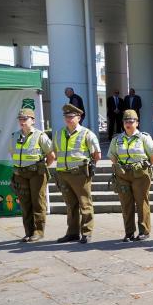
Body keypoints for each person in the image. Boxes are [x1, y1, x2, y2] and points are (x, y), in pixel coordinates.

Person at [108, 109, 153, 242]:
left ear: (137, 123)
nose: (128, 123)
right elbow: (112, 156)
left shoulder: (143, 137)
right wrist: (119, 167)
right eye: (126, 121)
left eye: (131, 121)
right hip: (123, 175)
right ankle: (129, 232)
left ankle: (144, 231)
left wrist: (145, 167)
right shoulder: (117, 139)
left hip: (140, 174)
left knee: (141, 203)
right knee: (126, 204)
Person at [53, 104, 101, 244]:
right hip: (63, 174)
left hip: (80, 174)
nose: (68, 119)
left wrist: (89, 167)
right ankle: (72, 233)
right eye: (66, 117)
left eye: (71, 117)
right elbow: (54, 152)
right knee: (70, 205)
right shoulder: (59, 133)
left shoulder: (87, 133)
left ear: (78, 118)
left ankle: (86, 232)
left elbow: (97, 155)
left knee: (85, 203)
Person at [9, 107, 55, 243]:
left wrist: (43, 167)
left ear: (32, 120)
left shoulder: (40, 136)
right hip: (20, 174)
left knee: (38, 202)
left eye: (25, 119)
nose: (22, 122)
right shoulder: (14, 136)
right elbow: (13, 153)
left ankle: (38, 232)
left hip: (36, 174)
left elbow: (51, 155)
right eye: (20, 119)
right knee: (25, 203)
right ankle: (28, 232)